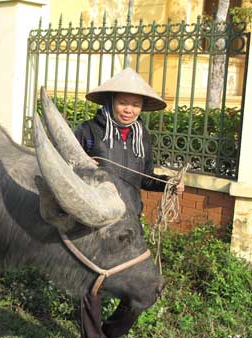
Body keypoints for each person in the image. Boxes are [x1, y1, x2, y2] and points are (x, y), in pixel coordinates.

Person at [75, 68, 184, 338]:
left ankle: (113, 332)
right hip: (97, 219)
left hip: (130, 220)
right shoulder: (88, 131)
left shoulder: (141, 137)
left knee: (142, 283)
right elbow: (69, 169)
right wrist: (83, 166)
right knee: (92, 284)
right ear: (111, 101)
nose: (129, 110)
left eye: (135, 104)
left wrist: (167, 184)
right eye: (124, 102)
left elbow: (144, 178)